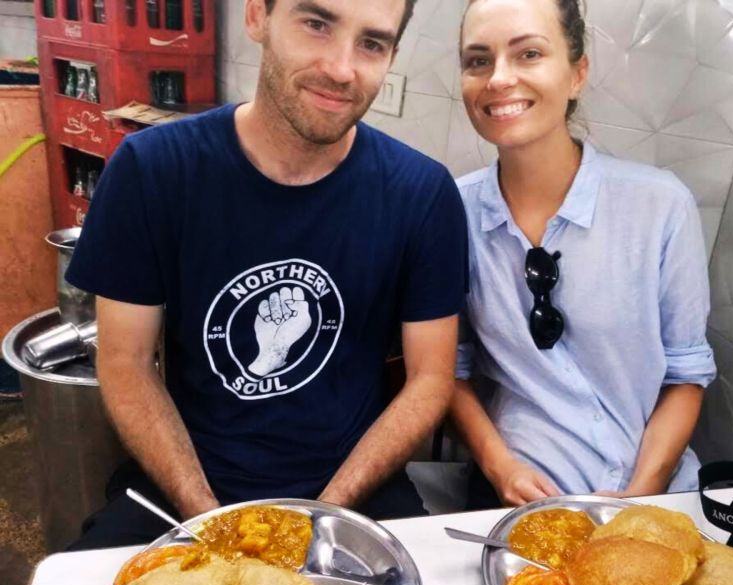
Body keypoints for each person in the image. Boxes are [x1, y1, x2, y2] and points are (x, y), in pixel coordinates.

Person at [65, 0, 467, 549]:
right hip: (183, 485)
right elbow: (125, 361)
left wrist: (325, 514)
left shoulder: (422, 194)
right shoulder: (152, 170)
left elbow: (430, 379)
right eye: (317, 24)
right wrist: (208, 517)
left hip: (355, 489)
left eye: (371, 44)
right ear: (257, 17)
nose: (342, 68)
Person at [451, 0, 716, 509]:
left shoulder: (661, 205)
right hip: (519, 496)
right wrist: (499, 465)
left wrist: (639, 498)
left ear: (577, 73)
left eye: (528, 53)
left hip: (655, 493)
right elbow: (448, 373)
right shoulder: (451, 212)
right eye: (478, 60)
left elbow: (685, 376)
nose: (499, 79)